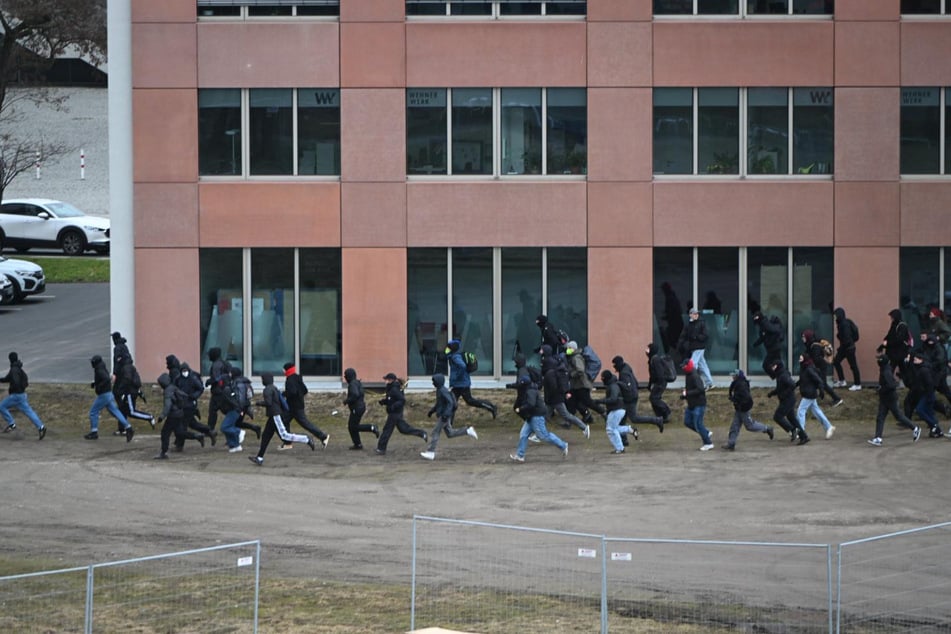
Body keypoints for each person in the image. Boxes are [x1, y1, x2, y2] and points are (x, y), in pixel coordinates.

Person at [248, 372, 316, 466]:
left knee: (284, 435)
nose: (262, 381)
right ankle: (259, 457)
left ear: (265, 380)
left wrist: (258, 403)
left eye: (262, 379)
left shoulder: (267, 390)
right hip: (274, 415)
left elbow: (268, 402)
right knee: (266, 437)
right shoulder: (274, 388)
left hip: (275, 416)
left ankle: (306, 439)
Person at [510, 375, 568, 462]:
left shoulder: (530, 392)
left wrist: (521, 409)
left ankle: (563, 445)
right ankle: (520, 455)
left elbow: (531, 404)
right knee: (523, 434)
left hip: (536, 416)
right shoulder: (530, 389)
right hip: (531, 416)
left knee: (544, 436)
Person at [421, 373, 478, 460]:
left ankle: (430, 452)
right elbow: (439, 404)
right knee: (450, 433)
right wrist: (432, 411)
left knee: (435, 432)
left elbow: (450, 403)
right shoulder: (440, 390)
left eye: (434, 381)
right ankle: (467, 430)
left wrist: (446, 414)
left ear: (438, 382)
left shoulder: (442, 391)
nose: (433, 383)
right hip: (444, 414)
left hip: (444, 415)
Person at [867, 354, 919, 447]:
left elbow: (891, 385)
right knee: (880, 417)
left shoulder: (886, 371)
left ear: (883, 361)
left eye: (879, 359)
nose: (878, 361)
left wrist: (881, 389)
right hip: (885, 398)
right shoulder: (884, 369)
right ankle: (878, 438)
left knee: (898, 416)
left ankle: (915, 428)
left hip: (890, 398)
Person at [541, 344, 589, 438]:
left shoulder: (550, 368)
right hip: (552, 398)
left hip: (555, 398)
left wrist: (563, 393)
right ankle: (539, 433)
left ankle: (584, 427)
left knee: (566, 415)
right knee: (544, 416)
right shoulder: (552, 366)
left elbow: (554, 385)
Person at [154, 372, 205, 459]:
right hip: (180, 413)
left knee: (165, 433)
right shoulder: (174, 388)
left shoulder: (168, 391)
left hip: (173, 415)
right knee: (180, 432)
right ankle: (197, 436)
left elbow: (167, 405)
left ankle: (163, 452)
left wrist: (162, 416)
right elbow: (185, 396)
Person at [280, 361, 329, 450]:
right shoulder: (297, 377)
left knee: (304, 423)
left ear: (287, 370)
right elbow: (305, 390)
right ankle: (287, 442)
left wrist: (284, 394)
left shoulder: (289, 380)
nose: (283, 372)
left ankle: (323, 436)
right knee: (284, 421)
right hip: (297, 405)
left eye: (284, 370)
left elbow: (292, 392)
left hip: (294, 407)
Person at [374, 373, 427, 455]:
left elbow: (401, 400)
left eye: (386, 379)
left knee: (387, 430)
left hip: (395, 413)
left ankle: (381, 448)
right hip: (396, 413)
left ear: (391, 380)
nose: (385, 381)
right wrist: (384, 402)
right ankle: (422, 433)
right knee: (403, 429)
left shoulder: (394, 389)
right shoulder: (391, 388)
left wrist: (393, 406)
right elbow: (391, 399)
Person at [85, 355, 134, 442]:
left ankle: (94, 432)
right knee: (115, 412)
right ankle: (128, 427)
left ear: (95, 362)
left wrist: (98, 386)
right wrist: (95, 383)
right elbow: (104, 379)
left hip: (103, 395)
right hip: (108, 394)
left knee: (93, 412)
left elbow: (106, 379)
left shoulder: (99, 369)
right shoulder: (101, 367)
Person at [613, 355, 664, 438]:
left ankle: (657, 420)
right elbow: (634, 382)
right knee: (622, 419)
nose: (614, 367)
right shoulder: (626, 368)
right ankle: (623, 439)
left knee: (634, 418)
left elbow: (627, 386)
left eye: (614, 365)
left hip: (630, 398)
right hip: (631, 396)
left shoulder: (624, 373)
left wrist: (618, 383)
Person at [722, 369, 773, 450]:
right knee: (734, 426)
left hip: (744, 408)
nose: (732, 377)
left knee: (750, 426)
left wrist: (735, 399)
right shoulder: (737, 383)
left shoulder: (741, 385)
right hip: (739, 408)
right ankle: (731, 443)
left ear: (737, 376)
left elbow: (745, 398)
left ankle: (767, 428)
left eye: (734, 375)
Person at [446, 339, 497, 419]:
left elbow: (463, 366)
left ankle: (491, 407)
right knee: (453, 402)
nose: (447, 349)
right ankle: (449, 423)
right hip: (459, 384)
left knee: (469, 401)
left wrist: (457, 377)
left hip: (461, 384)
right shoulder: (454, 356)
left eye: (448, 347)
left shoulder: (455, 357)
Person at [0, 352, 46, 439]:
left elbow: (15, 381)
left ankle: (11, 424)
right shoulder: (18, 368)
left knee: (1, 406)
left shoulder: (14, 369)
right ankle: (41, 427)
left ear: (10, 359)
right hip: (22, 395)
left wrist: (14, 389)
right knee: (29, 412)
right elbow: (8, 378)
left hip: (16, 395)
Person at [795, 353, 833, 442]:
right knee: (816, 411)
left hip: (809, 394)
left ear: (804, 360)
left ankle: (801, 432)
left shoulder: (808, 369)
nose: (799, 360)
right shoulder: (804, 368)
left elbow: (818, 380)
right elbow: (802, 380)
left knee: (801, 411)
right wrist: (794, 385)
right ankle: (829, 426)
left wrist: (821, 390)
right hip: (809, 393)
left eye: (800, 359)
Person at [565, 341, 604, 425]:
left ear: (573, 349)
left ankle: (602, 412)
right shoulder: (573, 356)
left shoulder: (576, 357)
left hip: (581, 384)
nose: (567, 350)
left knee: (587, 402)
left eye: (569, 348)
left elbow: (580, 370)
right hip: (576, 385)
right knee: (572, 402)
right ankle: (569, 421)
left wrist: (571, 374)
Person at [113, 350, 155, 429]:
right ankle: (123, 428)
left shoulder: (126, 367)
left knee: (131, 412)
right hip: (130, 392)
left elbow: (127, 380)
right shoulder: (128, 366)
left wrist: (120, 390)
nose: (117, 360)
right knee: (123, 410)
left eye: (119, 358)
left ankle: (149, 417)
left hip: (129, 393)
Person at [599, 369, 636, 454]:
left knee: (610, 429)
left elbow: (613, 399)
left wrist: (600, 401)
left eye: (602, 378)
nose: (602, 380)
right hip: (619, 409)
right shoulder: (613, 384)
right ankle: (629, 429)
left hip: (616, 409)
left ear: (606, 378)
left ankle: (620, 448)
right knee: (614, 428)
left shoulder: (613, 386)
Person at [802, 329, 843, 407]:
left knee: (823, 384)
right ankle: (813, 399)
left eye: (804, 336)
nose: (802, 338)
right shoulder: (811, 344)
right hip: (820, 367)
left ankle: (837, 398)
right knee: (818, 383)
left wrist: (812, 365)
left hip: (821, 367)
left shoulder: (814, 346)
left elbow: (816, 359)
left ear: (808, 337)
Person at [908, 351, 944, 438]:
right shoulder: (921, 368)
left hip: (927, 394)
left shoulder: (924, 370)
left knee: (920, 410)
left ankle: (934, 427)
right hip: (926, 394)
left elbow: (929, 383)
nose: (914, 361)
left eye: (916, 360)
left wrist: (929, 395)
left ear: (921, 360)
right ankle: (937, 430)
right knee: (929, 412)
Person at [680, 358, 713, 451]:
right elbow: (692, 390)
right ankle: (706, 432)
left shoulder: (694, 375)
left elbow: (700, 389)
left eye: (684, 366)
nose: (683, 368)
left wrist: (687, 393)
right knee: (687, 422)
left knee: (698, 424)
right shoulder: (688, 374)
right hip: (692, 404)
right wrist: (684, 396)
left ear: (688, 366)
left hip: (699, 404)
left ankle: (708, 443)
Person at [766, 360, 803, 443]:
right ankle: (803, 436)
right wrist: (772, 393)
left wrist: (784, 394)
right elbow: (780, 388)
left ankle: (793, 430)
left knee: (778, 416)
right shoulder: (780, 375)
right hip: (787, 399)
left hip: (788, 399)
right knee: (792, 418)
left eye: (774, 366)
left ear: (777, 366)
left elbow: (792, 385)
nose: (772, 368)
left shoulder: (783, 375)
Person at [677, 308, 714, 390]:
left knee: (693, 365)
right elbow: (683, 336)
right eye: (694, 314)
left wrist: (696, 337)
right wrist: (681, 344)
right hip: (693, 347)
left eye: (697, 314)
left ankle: (694, 383)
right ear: (690, 315)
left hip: (699, 347)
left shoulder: (701, 323)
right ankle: (709, 382)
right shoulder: (688, 325)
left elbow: (705, 335)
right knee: (702, 365)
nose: (696, 315)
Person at [343, 367, 378, 450]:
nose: (345, 378)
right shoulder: (357, 383)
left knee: (353, 427)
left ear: (349, 376)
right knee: (352, 426)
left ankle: (371, 427)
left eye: (346, 376)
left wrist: (347, 401)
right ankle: (357, 444)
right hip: (360, 407)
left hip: (357, 408)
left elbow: (355, 394)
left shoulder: (352, 384)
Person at [831, 307, 862, 391]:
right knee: (836, 361)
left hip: (848, 348)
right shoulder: (842, 323)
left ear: (839, 315)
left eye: (835, 315)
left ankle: (857, 384)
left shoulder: (844, 324)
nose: (834, 317)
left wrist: (841, 347)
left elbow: (846, 338)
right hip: (846, 347)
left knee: (853, 366)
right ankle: (842, 381)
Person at [878, 309, 912, 380]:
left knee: (892, 368)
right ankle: (907, 383)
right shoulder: (894, 325)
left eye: (892, 317)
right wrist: (884, 343)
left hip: (898, 352)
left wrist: (887, 344)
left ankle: (890, 384)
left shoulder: (902, 326)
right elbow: (889, 335)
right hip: (895, 351)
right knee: (901, 368)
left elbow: (898, 339)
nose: (891, 319)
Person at [204, 346, 231, 431]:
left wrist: (208, 381)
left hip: (218, 392)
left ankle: (210, 429)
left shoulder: (216, 365)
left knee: (214, 412)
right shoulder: (225, 363)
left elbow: (216, 378)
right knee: (224, 411)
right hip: (224, 391)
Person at [645, 343, 673, 423]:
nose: (646, 351)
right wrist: (650, 385)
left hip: (660, 382)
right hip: (658, 383)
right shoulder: (652, 359)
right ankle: (660, 416)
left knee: (654, 398)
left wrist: (657, 384)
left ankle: (666, 412)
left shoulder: (655, 360)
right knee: (654, 398)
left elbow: (659, 374)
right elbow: (652, 374)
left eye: (648, 349)